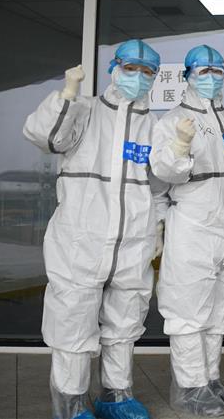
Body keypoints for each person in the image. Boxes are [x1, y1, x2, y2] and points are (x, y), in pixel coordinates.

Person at [23, 39, 166, 419]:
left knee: (126, 318)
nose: (138, 77)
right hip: (80, 236)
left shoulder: (150, 123)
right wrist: (66, 95)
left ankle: (116, 395)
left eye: (147, 71)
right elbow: (45, 137)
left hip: (132, 238)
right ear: (114, 69)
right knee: (73, 317)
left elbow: (158, 184)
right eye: (131, 68)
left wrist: (158, 226)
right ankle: (71, 403)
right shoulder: (83, 110)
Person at [150, 45, 224, 417]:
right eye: (202, 71)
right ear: (188, 75)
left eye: (217, 71)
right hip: (194, 228)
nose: (210, 78)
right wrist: (180, 144)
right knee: (188, 312)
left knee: (219, 314)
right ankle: (190, 388)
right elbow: (163, 176)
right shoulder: (171, 120)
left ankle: (210, 378)